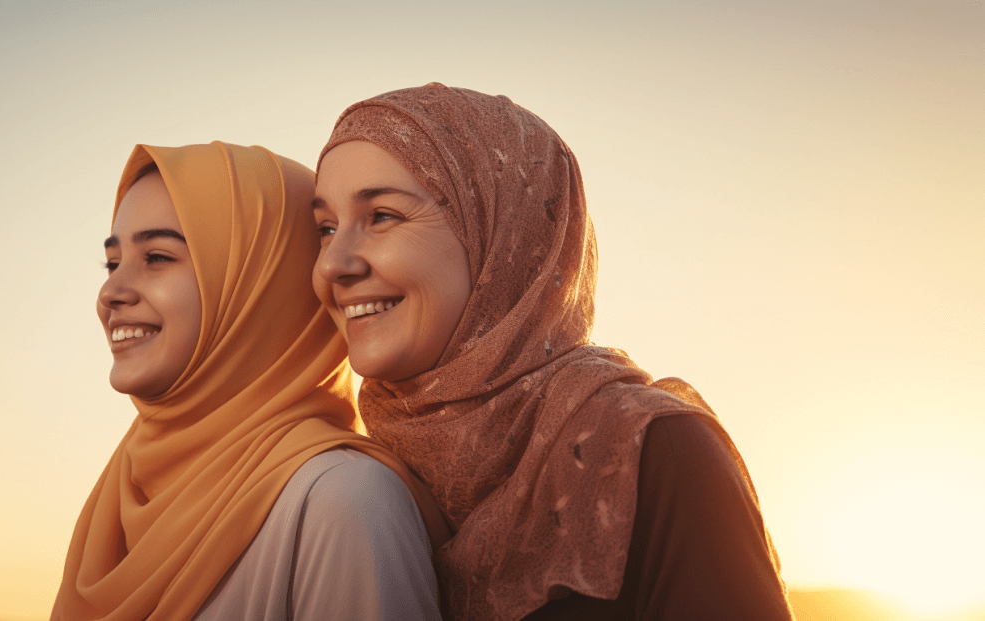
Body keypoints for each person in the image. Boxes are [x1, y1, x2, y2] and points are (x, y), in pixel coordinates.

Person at [311, 84, 794, 621]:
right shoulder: (352, 477)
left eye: (382, 216)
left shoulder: (652, 453)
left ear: (502, 233)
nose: (332, 264)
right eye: (325, 228)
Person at [51, 142, 449, 621]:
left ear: (264, 283)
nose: (110, 292)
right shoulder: (124, 493)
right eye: (113, 264)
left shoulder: (342, 501)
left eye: (156, 257)